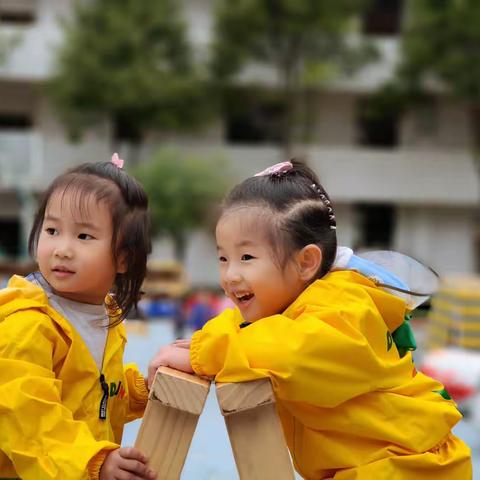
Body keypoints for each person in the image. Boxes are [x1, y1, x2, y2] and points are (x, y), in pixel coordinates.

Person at [148, 160, 472, 479]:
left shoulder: (343, 307)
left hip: (410, 467)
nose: (230, 275)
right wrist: (194, 348)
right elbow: (240, 326)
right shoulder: (289, 310)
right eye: (223, 257)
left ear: (306, 262)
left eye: (247, 257)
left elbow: (293, 351)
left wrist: (203, 354)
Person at [0, 155, 156, 480]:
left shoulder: (104, 316)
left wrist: (140, 390)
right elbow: (27, 414)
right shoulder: (27, 321)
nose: (62, 249)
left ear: (124, 258)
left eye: (84, 237)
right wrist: (91, 460)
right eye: (53, 230)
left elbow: (91, 396)